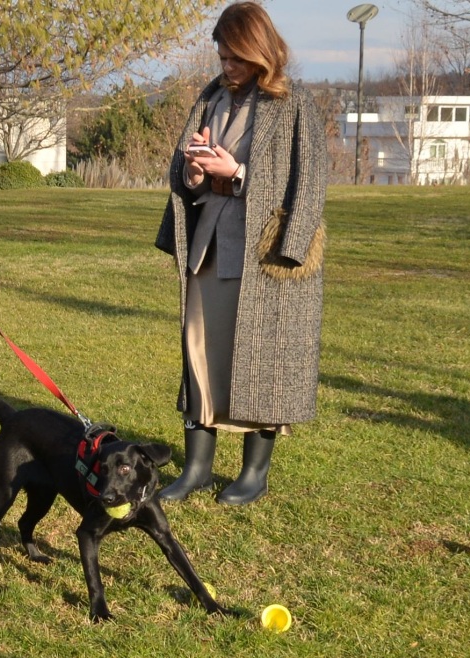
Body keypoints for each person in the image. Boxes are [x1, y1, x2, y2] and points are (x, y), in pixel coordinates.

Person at [155, 1, 327, 506]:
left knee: (261, 357)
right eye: (222, 55)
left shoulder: (296, 105)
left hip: (261, 254)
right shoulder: (211, 99)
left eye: (234, 56)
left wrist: (239, 175)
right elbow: (184, 179)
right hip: (207, 242)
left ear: (259, 52)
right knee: (200, 353)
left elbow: (309, 186)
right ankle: (196, 468)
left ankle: (254, 474)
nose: (225, 66)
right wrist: (195, 170)